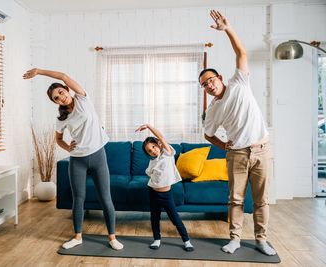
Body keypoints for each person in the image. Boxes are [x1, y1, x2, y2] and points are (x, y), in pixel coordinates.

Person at [199, 10, 276, 256]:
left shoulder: (239, 83)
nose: (209, 86)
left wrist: (227, 29)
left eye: (210, 80)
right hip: (237, 155)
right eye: (204, 85)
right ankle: (234, 239)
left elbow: (241, 53)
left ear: (220, 78)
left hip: (262, 149)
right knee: (235, 200)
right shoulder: (212, 110)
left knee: (262, 200)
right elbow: (208, 135)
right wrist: (225, 147)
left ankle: (261, 239)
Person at [23, 68, 123, 251]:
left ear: (66, 89)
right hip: (77, 161)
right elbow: (58, 139)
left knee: (105, 198)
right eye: (56, 98)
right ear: (55, 102)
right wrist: (69, 147)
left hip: (98, 156)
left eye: (61, 92)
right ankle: (78, 237)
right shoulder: (61, 118)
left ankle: (112, 237)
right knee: (79, 199)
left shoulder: (83, 99)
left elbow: (63, 76)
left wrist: (38, 71)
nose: (61, 97)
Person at [135, 124, 194, 252]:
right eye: (149, 151)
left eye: (153, 147)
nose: (153, 151)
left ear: (158, 144)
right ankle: (157, 239)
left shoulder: (168, 153)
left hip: (165, 195)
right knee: (154, 217)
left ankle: (186, 241)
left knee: (175, 218)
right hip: (153, 192)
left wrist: (148, 126)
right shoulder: (153, 161)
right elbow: (150, 173)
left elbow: (160, 136)